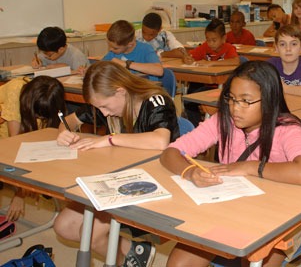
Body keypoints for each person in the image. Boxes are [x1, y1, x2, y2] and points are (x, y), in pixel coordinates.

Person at [159, 60, 301, 267]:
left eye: (245, 101)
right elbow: (170, 152)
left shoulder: (287, 129)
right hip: (229, 212)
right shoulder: (223, 121)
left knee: (253, 260)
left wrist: (250, 167)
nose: (235, 108)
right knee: (178, 264)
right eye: (231, 99)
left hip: (278, 222)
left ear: (269, 99)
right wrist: (190, 172)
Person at [53, 61, 179, 267]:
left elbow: (160, 141)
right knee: (64, 226)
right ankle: (134, 252)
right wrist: (63, 133)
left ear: (120, 91)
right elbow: (68, 121)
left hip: (154, 178)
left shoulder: (156, 101)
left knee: (91, 235)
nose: (103, 113)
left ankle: (123, 262)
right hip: (118, 175)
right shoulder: (108, 104)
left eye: (104, 106)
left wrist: (110, 138)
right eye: (98, 107)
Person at [0, 76, 66, 222]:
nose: (39, 118)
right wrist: (20, 194)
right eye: (37, 114)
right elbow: (14, 143)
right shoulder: (15, 89)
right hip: (7, 140)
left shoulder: (45, 100)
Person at [183, 18, 240, 126]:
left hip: (224, 89)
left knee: (195, 98)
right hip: (209, 86)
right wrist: (188, 58)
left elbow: (236, 61)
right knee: (189, 100)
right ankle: (196, 127)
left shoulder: (228, 48)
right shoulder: (205, 46)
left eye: (214, 40)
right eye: (208, 39)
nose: (210, 43)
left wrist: (212, 63)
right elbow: (191, 55)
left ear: (224, 38)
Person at [267, 25, 301, 98]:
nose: (288, 49)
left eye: (294, 44)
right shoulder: (271, 65)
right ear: (276, 48)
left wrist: (283, 88)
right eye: (282, 44)